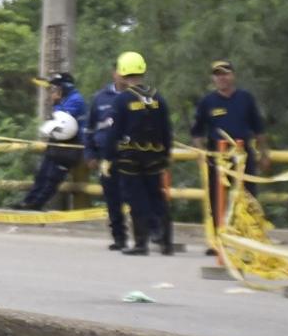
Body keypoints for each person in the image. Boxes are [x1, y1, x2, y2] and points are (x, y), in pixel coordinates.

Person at [99, 51, 173, 256]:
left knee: (136, 198)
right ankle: (166, 242)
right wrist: (166, 154)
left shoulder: (122, 100)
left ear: (122, 73)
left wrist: (107, 157)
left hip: (130, 158)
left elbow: (114, 133)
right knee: (157, 197)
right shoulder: (158, 97)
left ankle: (142, 244)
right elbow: (167, 129)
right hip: (155, 156)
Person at [190, 60, 269, 246]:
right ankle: (218, 241)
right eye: (217, 74)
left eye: (225, 73)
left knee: (247, 197)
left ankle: (249, 239)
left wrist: (264, 154)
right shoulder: (207, 102)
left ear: (233, 76)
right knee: (216, 199)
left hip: (243, 155)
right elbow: (196, 132)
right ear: (213, 78)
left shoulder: (245, 98)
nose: (221, 78)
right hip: (217, 157)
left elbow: (259, 129)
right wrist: (201, 154)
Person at [18, 72, 87, 210]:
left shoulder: (76, 99)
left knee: (52, 178)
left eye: (55, 88)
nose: (52, 91)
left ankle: (35, 204)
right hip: (56, 143)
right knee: (41, 174)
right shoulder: (64, 99)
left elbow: (63, 121)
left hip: (70, 146)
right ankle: (27, 201)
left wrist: (55, 102)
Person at [85, 69, 130, 250]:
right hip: (106, 157)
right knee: (112, 199)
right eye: (122, 72)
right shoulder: (100, 98)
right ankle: (119, 237)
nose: (124, 77)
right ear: (114, 74)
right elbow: (89, 128)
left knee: (135, 195)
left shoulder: (137, 97)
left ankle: (147, 235)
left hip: (131, 155)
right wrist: (90, 154)